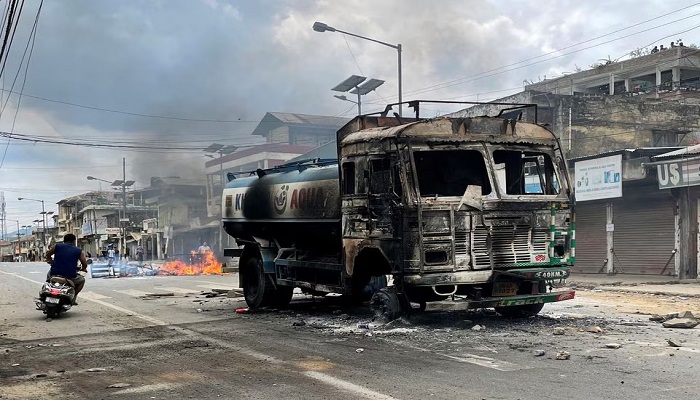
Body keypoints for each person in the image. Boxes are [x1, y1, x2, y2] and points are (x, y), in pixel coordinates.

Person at [44, 234, 88, 305]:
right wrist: (83, 269)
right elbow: (84, 264)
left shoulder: (57, 246)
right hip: (70, 276)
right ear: (74, 241)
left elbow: (48, 254)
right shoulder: (78, 250)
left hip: (54, 273)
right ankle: (73, 297)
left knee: (48, 278)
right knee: (82, 280)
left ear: (64, 240)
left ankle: (46, 291)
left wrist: (50, 261)